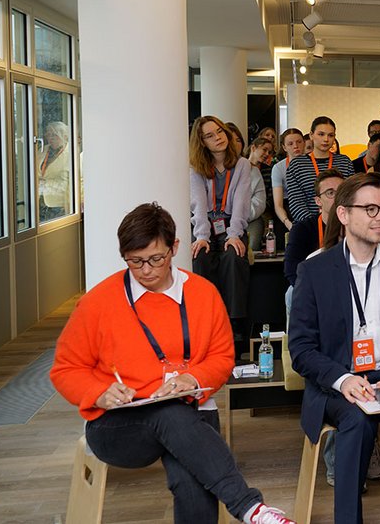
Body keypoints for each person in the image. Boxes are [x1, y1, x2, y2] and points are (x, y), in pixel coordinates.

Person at [50, 203, 294, 524]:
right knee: (169, 414)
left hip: (190, 414)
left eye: (156, 259)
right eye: (135, 261)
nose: (146, 270)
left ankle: (250, 510)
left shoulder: (203, 294)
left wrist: (192, 379)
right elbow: (65, 369)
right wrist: (98, 392)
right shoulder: (99, 302)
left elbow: (222, 357)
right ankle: (250, 508)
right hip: (118, 427)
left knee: (193, 480)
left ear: (174, 248)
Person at [288, 173, 380, 524]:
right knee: (357, 420)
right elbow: (301, 348)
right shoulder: (315, 270)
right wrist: (344, 379)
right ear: (344, 214)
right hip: (338, 382)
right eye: (370, 209)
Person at [188, 116, 251, 330]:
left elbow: (241, 202)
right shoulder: (196, 168)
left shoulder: (242, 164)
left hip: (232, 224)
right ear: (202, 142)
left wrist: (234, 234)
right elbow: (198, 203)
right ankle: (205, 320)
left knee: (234, 256)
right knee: (200, 258)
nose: (218, 137)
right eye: (209, 135)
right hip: (204, 225)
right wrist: (202, 237)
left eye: (220, 131)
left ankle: (234, 324)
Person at [285, 116, 353, 223]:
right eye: (321, 134)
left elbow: (350, 196)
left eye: (330, 135)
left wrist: (339, 221)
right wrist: (316, 224)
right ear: (311, 135)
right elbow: (296, 203)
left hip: (340, 222)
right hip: (308, 225)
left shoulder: (344, 162)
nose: (326, 139)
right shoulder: (297, 165)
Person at [283, 169, 344, 287]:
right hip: (313, 285)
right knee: (291, 293)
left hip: (347, 284)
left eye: (341, 192)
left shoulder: (356, 226)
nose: (338, 198)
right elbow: (291, 270)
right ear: (318, 201)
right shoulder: (302, 229)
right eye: (330, 193)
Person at [272, 128, 306, 231]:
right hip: (286, 205)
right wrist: (288, 223)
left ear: (304, 143)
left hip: (309, 203)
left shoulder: (312, 164)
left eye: (299, 142)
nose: (296, 146)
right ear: (284, 147)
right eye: (290, 144)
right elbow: (278, 204)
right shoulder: (278, 168)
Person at [38, 120, 72, 220]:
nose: (51, 138)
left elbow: (71, 182)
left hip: (60, 205)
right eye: (48, 134)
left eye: (55, 135)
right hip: (41, 202)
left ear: (65, 136)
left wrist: (45, 184)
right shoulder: (42, 150)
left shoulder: (72, 153)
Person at [246, 137, 271, 251]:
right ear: (253, 148)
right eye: (264, 150)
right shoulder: (239, 166)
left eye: (269, 152)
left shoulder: (268, 170)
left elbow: (267, 197)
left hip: (260, 212)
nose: (267, 154)